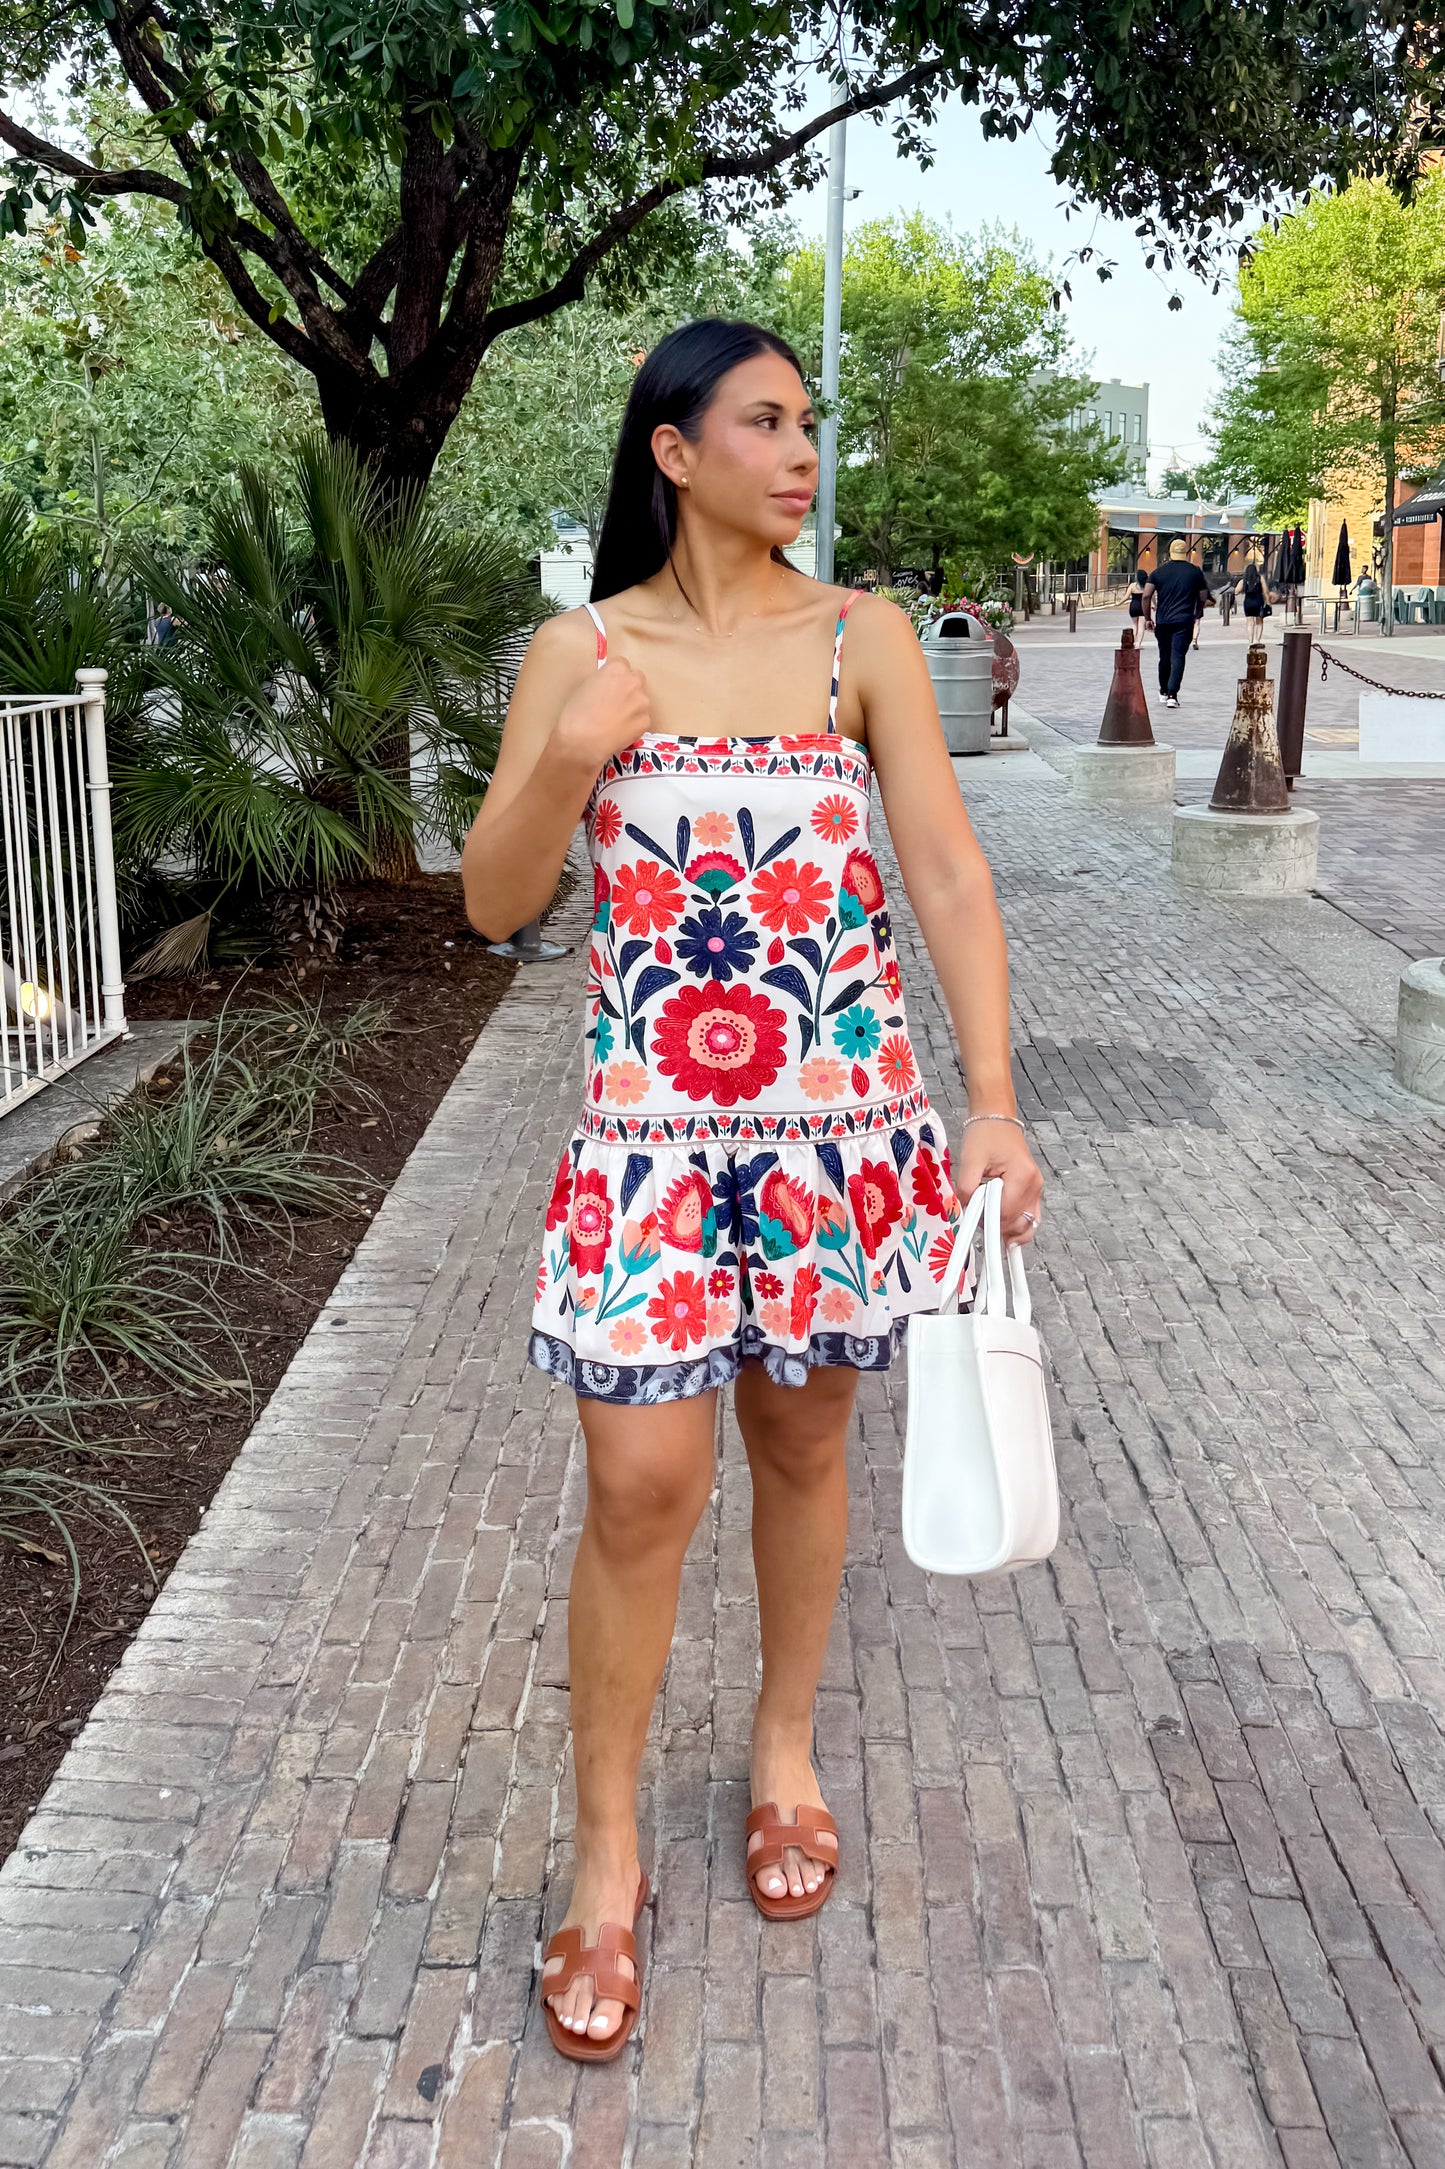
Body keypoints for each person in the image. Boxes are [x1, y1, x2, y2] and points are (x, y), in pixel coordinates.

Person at [460, 319, 1044, 2062]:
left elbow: (944, 868)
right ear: (673, 449)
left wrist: (994, 1105)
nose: (801, 455)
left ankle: (782, 1746)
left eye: (808, 424)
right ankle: (607, 1848)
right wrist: (569, 755)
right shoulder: (581, 650)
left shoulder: (861, 640)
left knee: (801, 1444)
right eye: (766, 422)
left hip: (833, 1139)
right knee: (641, 1485)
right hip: (646, 1146)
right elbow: (494, 899)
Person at [1143, 538, 1212, 707]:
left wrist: (1147, 618)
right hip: (1184, 621)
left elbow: (1146, 596)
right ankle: (1172, 695)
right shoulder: (1195, 572)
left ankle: (1163, 691)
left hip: (1163, 621)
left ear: (1170, 553)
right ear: (1185, 552)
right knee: (1178, 656)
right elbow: (1203, 596)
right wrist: (1197, 612)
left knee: (1164, 656)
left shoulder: (1158, 572)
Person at [1241, 558, 1270, 630]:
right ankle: (1257, 637)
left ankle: (1250, 637)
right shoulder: (1260, 578)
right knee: (1259, 622)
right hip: (1258, 601)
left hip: (1248, 602)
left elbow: (1237, 590)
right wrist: (1268, 602)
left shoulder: (1244, 580)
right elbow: (1265, 591)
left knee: (1250, 623)